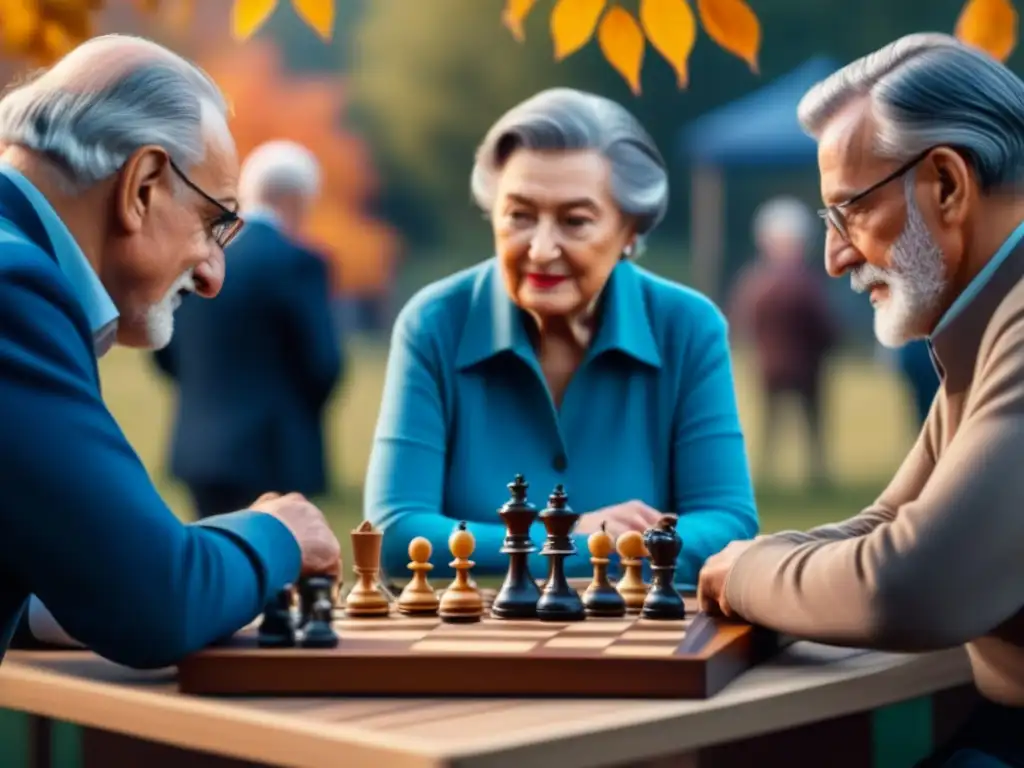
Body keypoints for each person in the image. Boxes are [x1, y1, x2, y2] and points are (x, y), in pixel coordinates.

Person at [696, 34, 1024, 767]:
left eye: (849, 212)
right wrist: (751, 558)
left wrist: (746, 576)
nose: (834, 256)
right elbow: (887, 522)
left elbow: (906, 586)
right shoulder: (990, 316)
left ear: (945, 184)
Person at [0, 35, 340, 668]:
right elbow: (159, 604)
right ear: (143, 186)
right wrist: (280, 534)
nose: (214, 275)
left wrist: (91, 584)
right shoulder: (13, 289)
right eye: (215, 224)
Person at [364, 88, 758, 585]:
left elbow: (729, 526)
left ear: (630, 231)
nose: (542, 248)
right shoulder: (434, 324)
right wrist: (578, 540)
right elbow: (396, 535)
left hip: (642, 641)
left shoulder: (688, 326)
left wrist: (503, 549)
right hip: (473, 645)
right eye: (519, 216)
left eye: (575, 221)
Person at [153, 140, 343, 519]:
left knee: (209, 564)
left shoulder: (198, 256)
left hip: (200, 448)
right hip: (275, 450)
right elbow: (322, 363)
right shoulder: (298, 262)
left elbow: (163, 347)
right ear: (296, 198)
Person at [727, 195, 839, 486]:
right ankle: (816, 474)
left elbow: (743, 321)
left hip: (769, 366)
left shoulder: (754, 282)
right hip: (806, 365)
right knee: (812, 423)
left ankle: (766, 473)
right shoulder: (808, 283)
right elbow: (825, 326)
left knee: (771, 423)